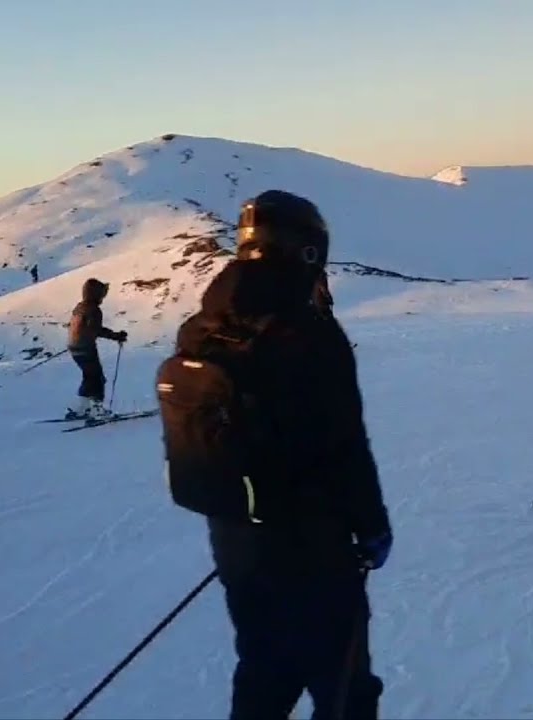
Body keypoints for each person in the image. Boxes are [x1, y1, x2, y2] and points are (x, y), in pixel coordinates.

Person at [172, 189, 392, 719]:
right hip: (313, 546)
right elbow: (346, 446)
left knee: (264, 668)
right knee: (343, 685)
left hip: (235, 540)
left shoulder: (200, 327)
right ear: (308, 251)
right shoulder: (308, 333)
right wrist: (372, 527)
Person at [65, 278, 127, 420]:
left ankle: (83, 408)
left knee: (89, 376)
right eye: (101, 294)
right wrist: (116, 336)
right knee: (97, 378)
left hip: (75, 347)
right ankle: (97, 410)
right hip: (86, 347)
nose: (103, 298)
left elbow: (81, 327)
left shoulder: (80, 307)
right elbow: (96, 329)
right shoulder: (94, 310)